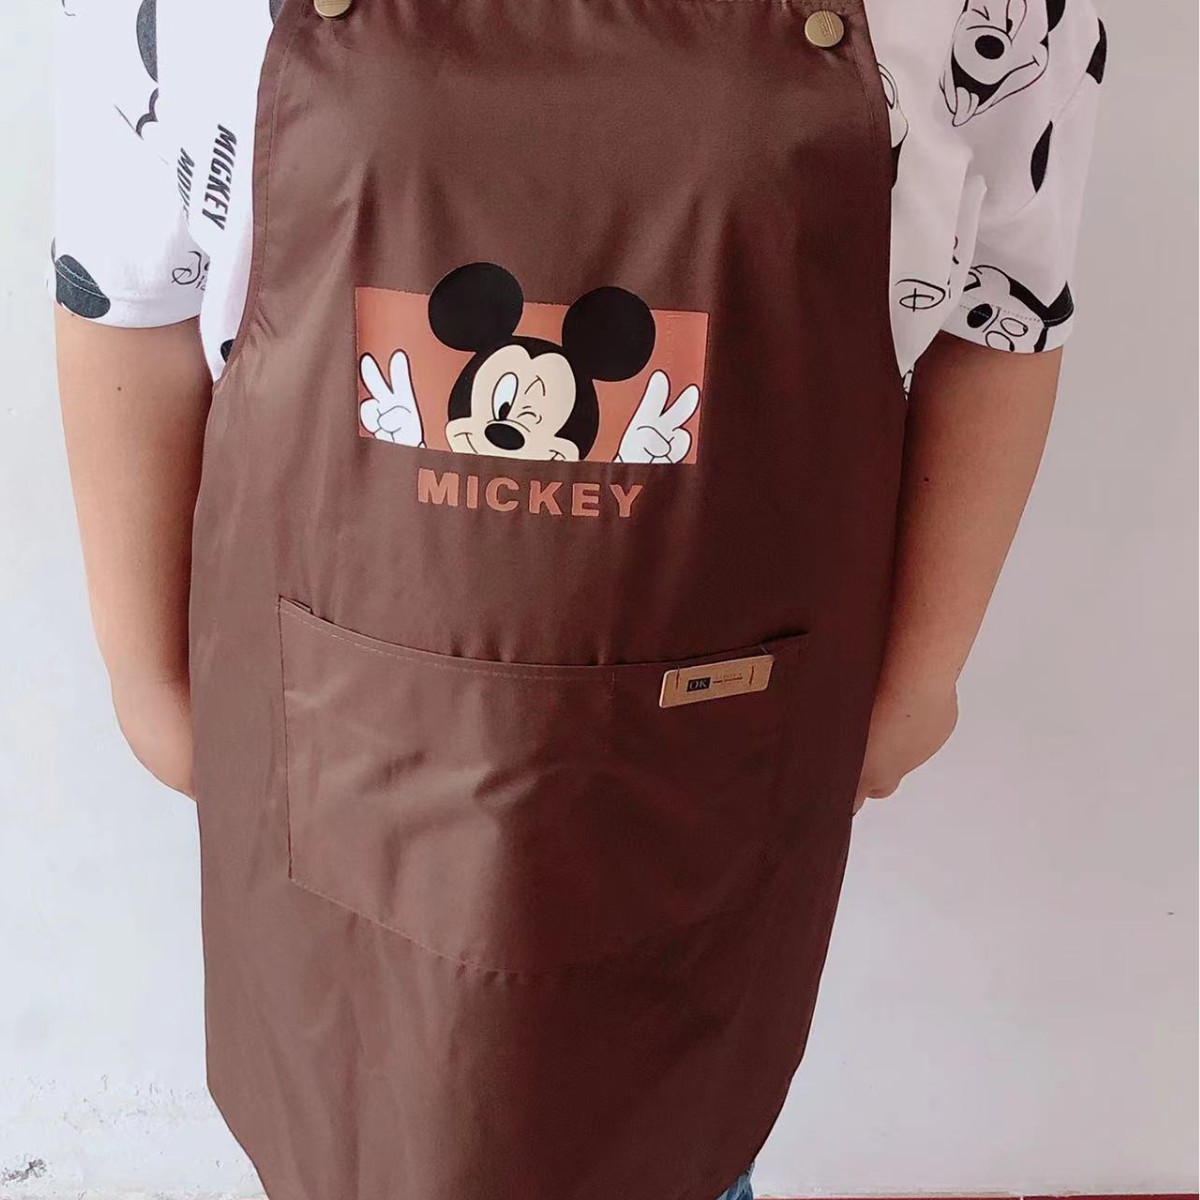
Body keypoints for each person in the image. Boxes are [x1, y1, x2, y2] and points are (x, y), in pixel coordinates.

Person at [53, 2, 1105, 1198]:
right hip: (327, 745)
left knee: (663, 1148)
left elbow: (1008, 311)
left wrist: (917, 682)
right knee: (361, 1131)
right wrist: (145, 676)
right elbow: (122, 296)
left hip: (715, 754)